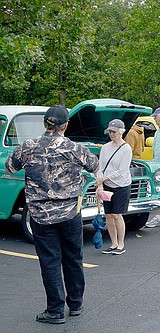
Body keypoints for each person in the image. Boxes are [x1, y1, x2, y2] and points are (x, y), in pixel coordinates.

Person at [6, 106, 99, 324]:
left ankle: (55, 310)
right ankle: (75, 304)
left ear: (45, 124)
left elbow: (10, 168)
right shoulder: (75, 148)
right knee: (73, 258)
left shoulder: (28, 147)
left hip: (40, 216)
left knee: (50, 262)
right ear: (65, 125)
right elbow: (94, 166)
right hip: (70, 214)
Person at [96, 119, 133, 255]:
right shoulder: (105, 148)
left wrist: (103, 178)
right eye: (110, 132)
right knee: (109, 215)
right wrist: (100, 184)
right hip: (107, 184)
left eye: (115, 132)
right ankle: (113, 243)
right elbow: (100, 167)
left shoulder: (126, 148)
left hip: (121, 185)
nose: (112, 134)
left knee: (117, 215)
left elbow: (121, 171)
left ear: (121, 132)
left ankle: (121, 244)